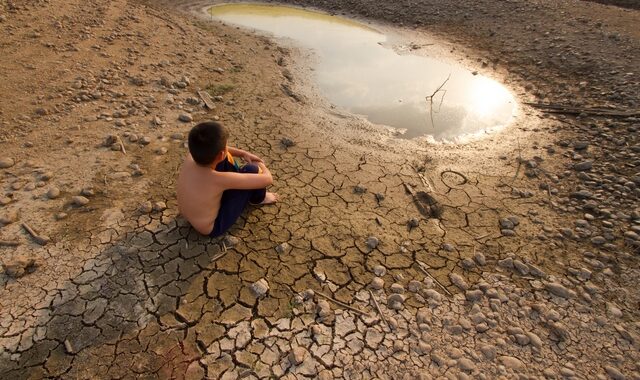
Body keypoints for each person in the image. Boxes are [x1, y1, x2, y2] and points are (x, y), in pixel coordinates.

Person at [177, 121, 278, 237]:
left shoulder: (191, 156)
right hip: (212, 227)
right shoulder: (219, 180)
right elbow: (267, 179)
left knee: (221, 158)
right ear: (221, 154)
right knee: (252, 169)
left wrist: (243, 153)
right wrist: (260, 164)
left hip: (188, 215)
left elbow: (222, 150)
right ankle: (259, 199)